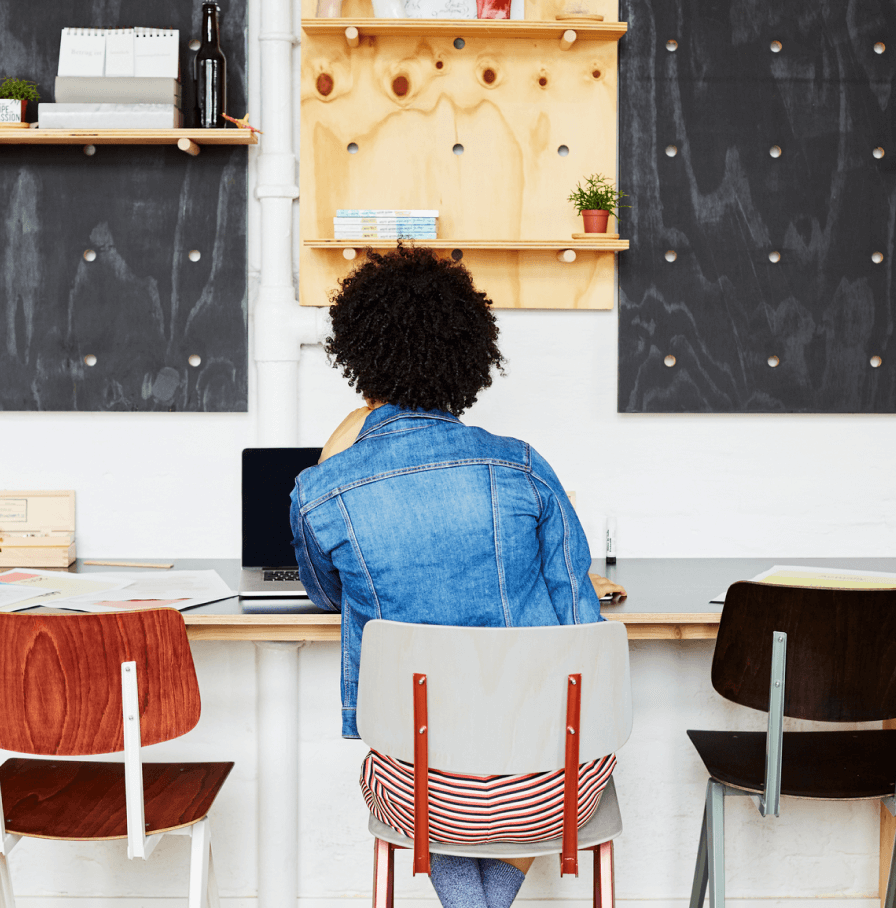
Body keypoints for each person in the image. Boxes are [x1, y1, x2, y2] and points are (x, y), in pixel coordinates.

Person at [290, 245, 626, 908]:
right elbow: (578, 617)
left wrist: (335, 455)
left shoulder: (321, 493)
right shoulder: (524, 468)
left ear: (360, 362)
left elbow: (328, 594)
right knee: (538, 744)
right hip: (551, 790)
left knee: (421, 756)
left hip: (422, 795)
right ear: (467, 359)